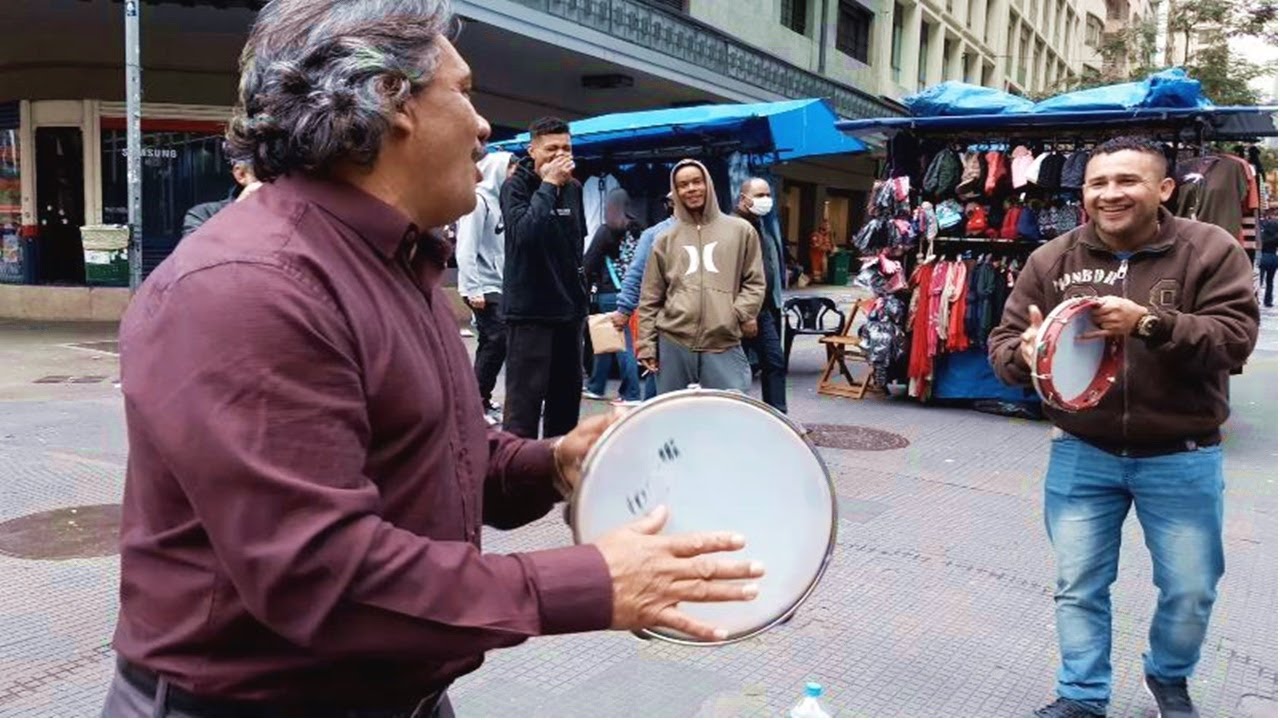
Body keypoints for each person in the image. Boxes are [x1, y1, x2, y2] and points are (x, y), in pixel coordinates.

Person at [102, 2, 764, 717]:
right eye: (465, 90)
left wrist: (555, 464)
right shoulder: (249, 286)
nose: (484, 127)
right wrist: (591, 580)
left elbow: (441, 453)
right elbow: (324, 579)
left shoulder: (394, 259)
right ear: (392, 100)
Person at [988, 136, 1259, 719]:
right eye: (1098, 183)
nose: (1110, 194)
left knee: (1189, 589)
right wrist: (1028, 353)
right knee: (1079, 584)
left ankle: (1168, 676)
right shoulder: (1052, 259)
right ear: (1084, 191)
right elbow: (1002, 347)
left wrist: (1151, 324)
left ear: (1163, 189)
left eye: (1127, 181)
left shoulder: (1209, 250)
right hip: (1082, 450)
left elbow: (1236, 340)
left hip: (1183, 452)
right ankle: (1082, 695)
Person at [636, 159, 766, 395]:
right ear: (675, 192)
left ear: (708, 184)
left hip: (722, 340)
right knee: (672, 416)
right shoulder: (664, 238)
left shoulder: (740, 230)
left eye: (697, 182)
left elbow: (755, 281)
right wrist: (646, 345)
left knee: (728, 413)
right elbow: (650, 296)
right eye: (683, 185)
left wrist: (736, 314)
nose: (691, 189)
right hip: (673, 341)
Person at [500, 117, 588, 439]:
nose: (559, 154)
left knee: (564, 409)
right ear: (532, 150)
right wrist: (549, 185)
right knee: (523, 409)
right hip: (529, 314)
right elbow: (524, 236)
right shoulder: (516, 186)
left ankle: (555, 476)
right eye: (551, 148)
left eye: (566, 147)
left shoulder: (575, 189)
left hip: (569, 313)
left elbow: (575, 246)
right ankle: (516, 482)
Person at [455, 151, 514, 422]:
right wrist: (472, 288)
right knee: (496, 340)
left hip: (499, 284)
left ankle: (482, 399)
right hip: (482, 285)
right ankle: (475, 405)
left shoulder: (502, 202)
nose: (514, 176)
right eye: (511, 170)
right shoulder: (478, 202)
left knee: (494, 343)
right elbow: (466, 247)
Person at [612, 192, 676, 400]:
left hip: (708, 327)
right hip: (665, 323)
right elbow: (636, 273)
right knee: (658, 387)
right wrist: (624, 309)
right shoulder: (655, 234)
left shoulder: (716, 230)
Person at [733, 177, 788, 413]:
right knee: (737, 370)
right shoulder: (734, 227)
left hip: (764, 310)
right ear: (743, 198)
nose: (765, 200)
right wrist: (746, 313)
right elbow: (733, 274)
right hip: (740, 313)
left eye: (767, 195)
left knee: (774, 362)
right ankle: (735, 417)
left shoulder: (760, 224)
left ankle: (777, 416)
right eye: (759, 195)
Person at [583, 188, 641, 402]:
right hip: (631, 291)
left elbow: (589, 263)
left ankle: (631, 393)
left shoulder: (606, 230)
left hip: (610, 293)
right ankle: (597, 386)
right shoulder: (637, 229)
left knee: (622, 343)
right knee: (606, 339)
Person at [181, 161, 260, 238]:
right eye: (267, 175)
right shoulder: (204, 215)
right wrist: (237, 211)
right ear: (241, 174)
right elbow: (195, 249)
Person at [1258, 205, 1277, 308]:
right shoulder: (1276, 236)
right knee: (1270, 282)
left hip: (1264, 257)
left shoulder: (1263, 235)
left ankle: (1255, 298)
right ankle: (1268, 301)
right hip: (1273, 258)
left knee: (1259, 281)